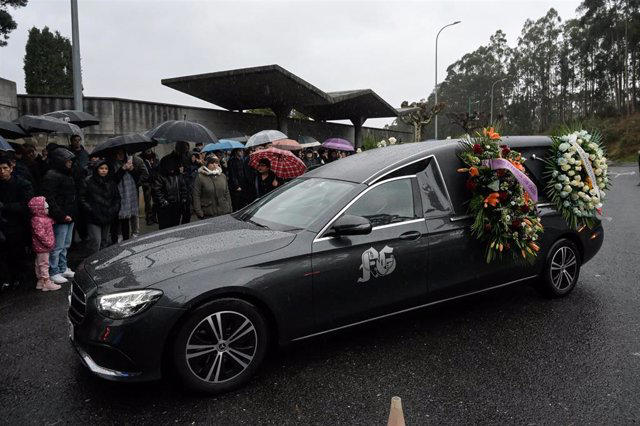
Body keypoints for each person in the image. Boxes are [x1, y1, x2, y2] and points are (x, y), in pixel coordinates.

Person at [40, 148, 77, 285]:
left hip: (69, 215)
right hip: (61, 217)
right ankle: (54, 271)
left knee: (65, 245)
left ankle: (62, 268)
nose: (70, 163)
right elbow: (50, 198)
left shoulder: (67, 174)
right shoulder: (52, 175)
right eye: (67, 161)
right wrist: (61, 215)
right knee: (57, 246)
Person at [0, 155, 34, 290]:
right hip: (3, 225)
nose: (2, 171)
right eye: (0, 169)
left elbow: (26, 205)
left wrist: (5, 206)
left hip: (18, 225)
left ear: (11, 168)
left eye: (4, 168)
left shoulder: (22, 183)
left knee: (17, 253)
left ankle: (20, 277)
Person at [80, 160, 121, 254]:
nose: (104, 170)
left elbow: (117, 198)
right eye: (101, 168)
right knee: (96, 241)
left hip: (107, 215)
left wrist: (113, 210)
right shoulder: (88, 181)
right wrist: (91, 210)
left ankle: (101, 262)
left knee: (104, 241)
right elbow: (82, 198)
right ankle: (91, 262)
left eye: (106, 169)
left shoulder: (111, 182)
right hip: (93, 216)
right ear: (96, 169)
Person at [28, 196, 60, 291]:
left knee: (39, 263)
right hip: (43, 247)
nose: (47, 210)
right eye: (46, 208)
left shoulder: (41, 219)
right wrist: (49, 243)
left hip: (41, 247)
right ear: (40, 209)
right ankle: (46, 282)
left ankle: (41, 281)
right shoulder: (38, 220)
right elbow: (40, 234)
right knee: (44, 264)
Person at [108, 149, 138, 243]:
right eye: (117, 153)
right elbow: (114, 180)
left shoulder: (129, 163)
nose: (120, 156)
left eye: (121, 154)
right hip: (117, 196)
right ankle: (115, 241)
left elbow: (137, 178)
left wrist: (132, 169)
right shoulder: (111, 165)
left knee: (126, 221)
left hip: (129, 195)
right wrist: (123, 169)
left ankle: (126, 240)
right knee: (115, 222)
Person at [152, 154, 187, 230]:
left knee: (175, 226)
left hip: (177, 205)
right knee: (165, 227)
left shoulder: (178, 175)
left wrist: (183, 198)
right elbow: (156, 190)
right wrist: (163, 201)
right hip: (165, 208)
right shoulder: (160, 176)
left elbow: (183, 187)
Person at [192, 155, 232, 220]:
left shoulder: (222, 176)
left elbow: (227, 193)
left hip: (224, 211)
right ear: (207, 164)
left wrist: (229, 207)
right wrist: (199, 212)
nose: (214, 164)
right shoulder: (200, 177)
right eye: (212, 162)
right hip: (208, 213)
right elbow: (196, 195)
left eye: (216, 162)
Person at [140, 149, 159, 225]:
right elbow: (141, 171)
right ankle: (149, 218)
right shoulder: (141, 158)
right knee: (148, 202)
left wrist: (153, 165)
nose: (148, 150)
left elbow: (158, 168)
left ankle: (154, 217)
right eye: (147, 149)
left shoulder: (155, 157)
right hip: (146, 183)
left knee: (156, 201)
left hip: (155, 182)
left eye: (149, 149)